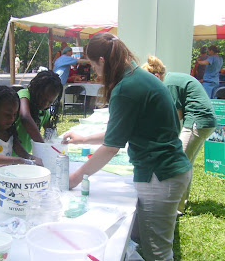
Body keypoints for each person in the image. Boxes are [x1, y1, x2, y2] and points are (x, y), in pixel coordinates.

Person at [62, 32, 191, 261]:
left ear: (101, 61)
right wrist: (83, 139)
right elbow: (119, 132)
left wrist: (75, 177)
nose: (93, 71)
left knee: (157, 253)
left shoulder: (126, 88)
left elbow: (111, 148)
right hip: (167, 170)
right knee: (147, 242)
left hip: (160, 174)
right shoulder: (136, 76)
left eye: (92, 64)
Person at [142, 56, 217, 214]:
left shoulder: (169, 84)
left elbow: (176, 116)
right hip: (204, 122)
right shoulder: (172, 79)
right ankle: (179, 205)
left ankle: (174, 208)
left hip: (197, 121)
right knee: (185, 164)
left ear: (156, 77)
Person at [14, 70, 63, 153]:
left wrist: (55, 144)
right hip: (7, 154)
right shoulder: (24, 95)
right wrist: (42, 145)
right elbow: (25, 117)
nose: (45, 104)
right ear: (35, 89)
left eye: (50, 102)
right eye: (42, 98)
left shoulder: (44, 113)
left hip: (24, 156)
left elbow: (50, 133)